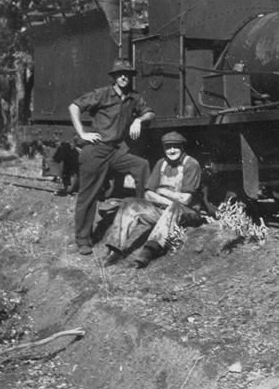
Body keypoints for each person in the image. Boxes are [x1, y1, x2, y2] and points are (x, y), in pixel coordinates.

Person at [68, 59, 155, 256]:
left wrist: (139, 120)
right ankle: (83, 240)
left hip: (116, 151)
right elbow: (74, 106)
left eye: (128, 74)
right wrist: (82, 133)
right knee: (88, 195)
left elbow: (150, 113)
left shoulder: (133, 97)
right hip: (96, 150)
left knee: (141, 165)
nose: (124, 77)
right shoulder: (102, 94)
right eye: (120, 74)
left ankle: (142, 212)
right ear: (114, 77)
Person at [103, 131, 203, 269]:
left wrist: (162, 191)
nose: (171, 150)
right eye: (168, 147)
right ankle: (115, 250)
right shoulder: (161, 163)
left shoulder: (191, 164)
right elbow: (148, 194)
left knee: (175, 207)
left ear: (182, 147)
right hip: (166, 211)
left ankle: (148, 251)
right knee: (129, 203)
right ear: (163, 148)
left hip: (188, 214)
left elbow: (185, 199)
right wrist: (169, 202)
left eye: (175, 146)